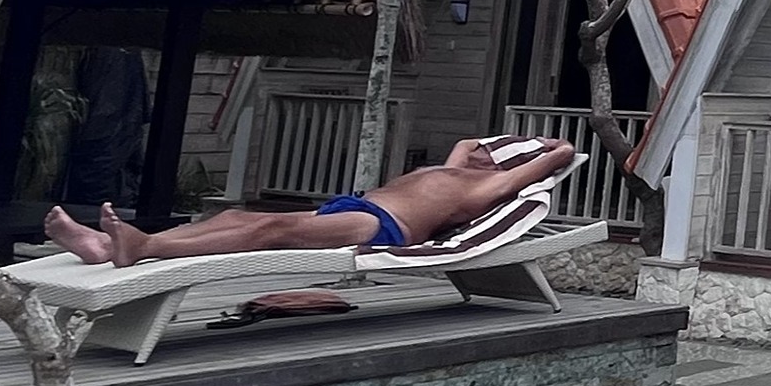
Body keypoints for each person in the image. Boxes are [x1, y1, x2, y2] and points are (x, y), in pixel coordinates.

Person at [43, 136, 578, 267]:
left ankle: (148, 248)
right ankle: (103, 247)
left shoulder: (485, 186)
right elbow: (464, 142)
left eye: (492, 151)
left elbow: (562, 153)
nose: (481, 149)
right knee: (235, 214)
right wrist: (481, 147)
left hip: (379, 228)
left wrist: (545, 150)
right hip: (351, 207)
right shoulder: (456, 166)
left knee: (267, 232)